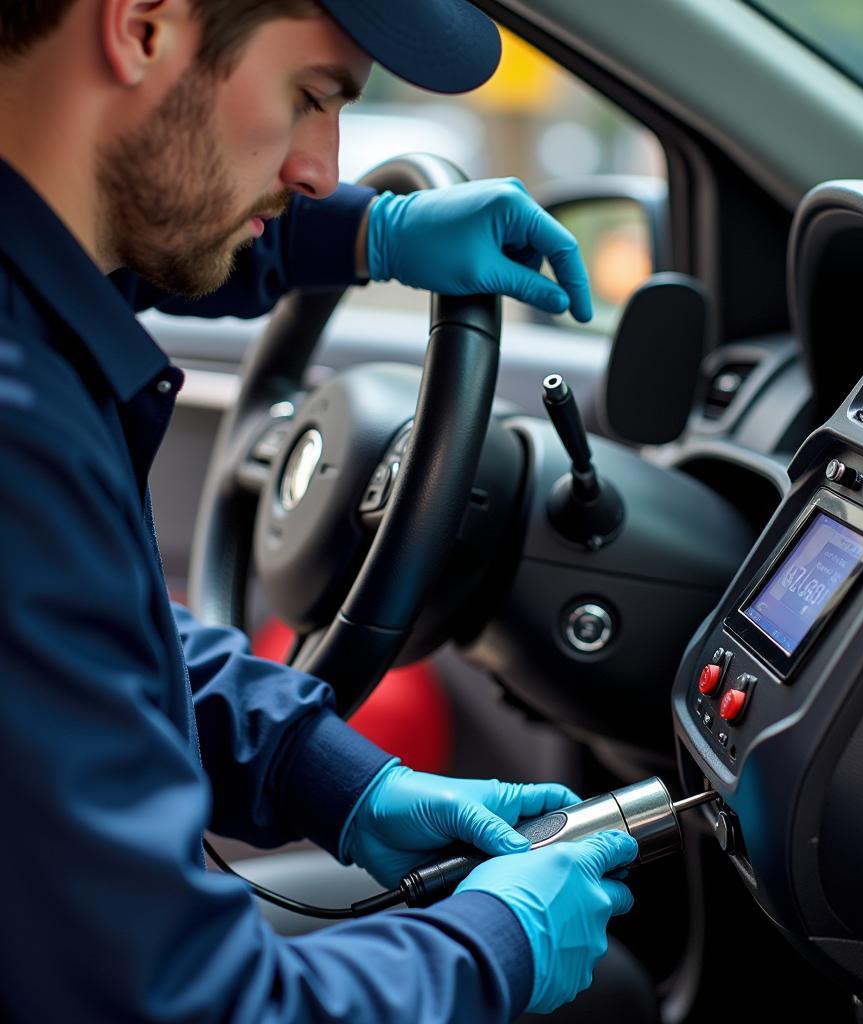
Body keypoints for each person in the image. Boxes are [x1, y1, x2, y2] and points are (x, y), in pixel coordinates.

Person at [0, 1, 640, 1022]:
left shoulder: (33, 305)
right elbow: (185, 1005)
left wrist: (331, 775)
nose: (317, 168)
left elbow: (88, 636)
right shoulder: (21, 432)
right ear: (146, 25)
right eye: (311, 98)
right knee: (601, 996)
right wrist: (493, 952)